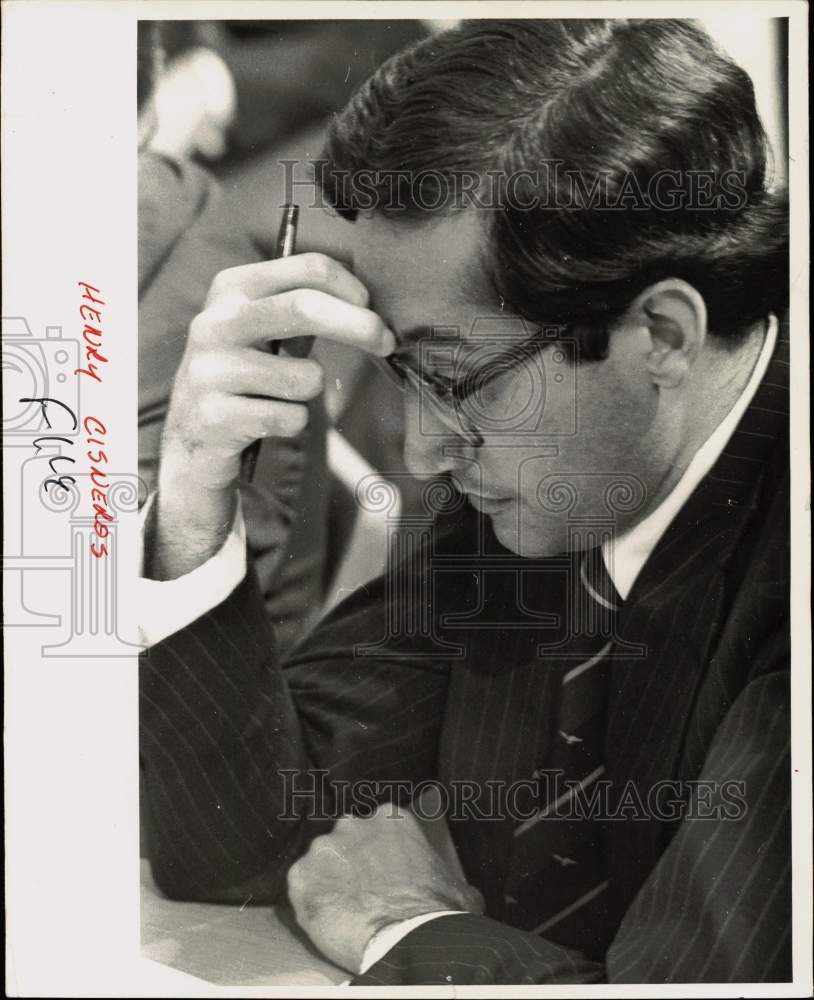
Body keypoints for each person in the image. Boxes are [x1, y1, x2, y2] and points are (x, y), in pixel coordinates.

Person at [138, 19, 791, 984]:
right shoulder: (531, 489)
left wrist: (405, 926)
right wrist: (194, 484)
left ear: (661, 333)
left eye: (454, 378)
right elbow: (247, 846)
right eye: (401, 375)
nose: (422, 451)